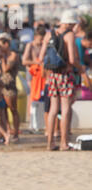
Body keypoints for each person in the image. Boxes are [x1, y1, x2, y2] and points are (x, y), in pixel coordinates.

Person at [39, 10, 85, 151]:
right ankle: (64, 143)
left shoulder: (49, 34)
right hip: (65, 74)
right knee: (65, 108)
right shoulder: (69, 35)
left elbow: (41, 58)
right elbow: (71, 59)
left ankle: (50, 142)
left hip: (52, 76)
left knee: (53, 109)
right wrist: (80, 67)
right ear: (70, 23)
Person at [0, 33, 20, 142]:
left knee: (12, 109)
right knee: (2, 111)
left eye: (0, 46)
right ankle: (6, 131)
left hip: (10, 86)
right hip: (0, 86)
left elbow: (6, 69)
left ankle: (16, 132)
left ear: (7, 44)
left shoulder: (12, 55)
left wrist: (3, 57)